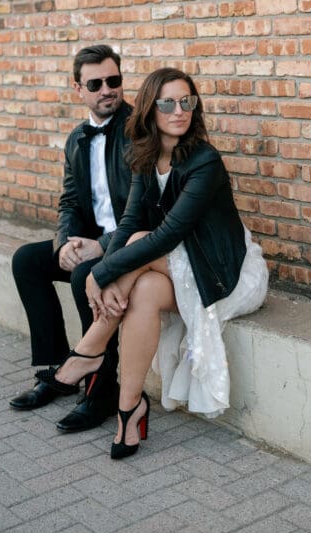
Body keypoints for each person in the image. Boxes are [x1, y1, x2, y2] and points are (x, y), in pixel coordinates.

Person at [38, 67, 268, 458]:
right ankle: (130, 409)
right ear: (150, 109)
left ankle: (90, 350)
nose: (179, 111)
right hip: (174, 265)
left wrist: (103, 272)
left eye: (187, 102)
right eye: (167, 103)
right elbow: (130, 222)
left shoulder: (205, 161)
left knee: (144, 243)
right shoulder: (145, 156)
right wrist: (105, 269)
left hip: (222, 271)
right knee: (141, 289)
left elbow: (167, 236)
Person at [10, 44, 132, 433]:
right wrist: (65, 242)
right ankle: (58, 369)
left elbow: (148, 210)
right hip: (93, 240)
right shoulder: (76, 139)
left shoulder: (140, 131)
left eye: (113, 81)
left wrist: (104, 243)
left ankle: (100, 391)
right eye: (95, 83)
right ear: (78, 90)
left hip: (129, 245)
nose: (106, 90)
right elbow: (70, 200)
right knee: (27, 260)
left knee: (86, 277)